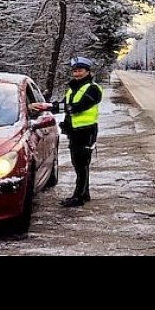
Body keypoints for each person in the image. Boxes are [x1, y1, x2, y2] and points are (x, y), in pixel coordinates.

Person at [30, 57, 102, 207]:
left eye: (80, 71)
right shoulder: (74, 88)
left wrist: (51, 107)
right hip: (74, 132)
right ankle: (84, 193)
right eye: (75, 71)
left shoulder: (93, 89)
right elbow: (64, 104)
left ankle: (79, 197)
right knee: (79, 164)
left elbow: (76, 107)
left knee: (81, 165)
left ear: (88, 71)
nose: (76, 74)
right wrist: (46, 106)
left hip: (86, 132)